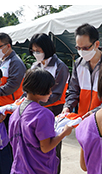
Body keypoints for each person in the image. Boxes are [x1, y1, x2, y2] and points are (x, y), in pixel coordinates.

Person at [8, 68, 73, 174]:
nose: (51, 93)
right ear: (41, 89)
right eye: (49, 89)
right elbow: (46, 147)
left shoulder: (15, 113)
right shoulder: (43, 114)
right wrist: (64, 133)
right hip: (39, 169)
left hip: (18, 168)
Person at [28, 33, 70, 173]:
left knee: (53, 146)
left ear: (47, 48)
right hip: (34, 110)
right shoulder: (35, 66)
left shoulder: (60, 66)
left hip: (52, 110)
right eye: (33, 51)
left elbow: (57, 94)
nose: (36, 54)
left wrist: (34, 104)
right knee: (36, 145)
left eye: (38, 50)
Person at [62, 23, 102, 117]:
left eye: (85, 48)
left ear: (96, 44)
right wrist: (67, 107)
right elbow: (73, 91)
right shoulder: (78, 64)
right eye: (78, 48)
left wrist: (94, 113)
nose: (81, 51)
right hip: (83, 119)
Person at [0, 32, 26, 131]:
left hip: (11, 108)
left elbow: (12, 85)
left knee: (10, 139)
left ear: (8, 46)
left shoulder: (16, 62)